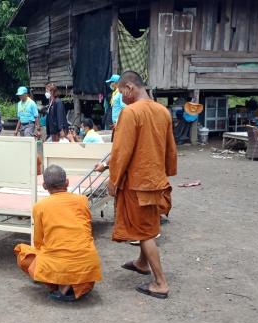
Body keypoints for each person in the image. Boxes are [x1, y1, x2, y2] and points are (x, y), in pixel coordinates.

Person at [107, 71, 177, 299]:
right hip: (156, 180)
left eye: (120, 92)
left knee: (145, 232)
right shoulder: (162, 111)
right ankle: (141, 263)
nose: (121, 97)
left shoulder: (130, 112)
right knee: (147, 225)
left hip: (138, 183)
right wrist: (166, 171)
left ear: (129, 88)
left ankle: (160, 283)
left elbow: (121, 151)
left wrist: (114, 179)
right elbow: (170, 148)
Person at [14, 165, 102, 302]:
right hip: (87, 266)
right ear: (67, 182)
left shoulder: (40, 206)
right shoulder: (82, 200)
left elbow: (38, 241)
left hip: (59, 265)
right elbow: (87, 228)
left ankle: (61, 286)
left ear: (44, 186)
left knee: (22, 253)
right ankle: (74, 284)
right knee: (71, 256)